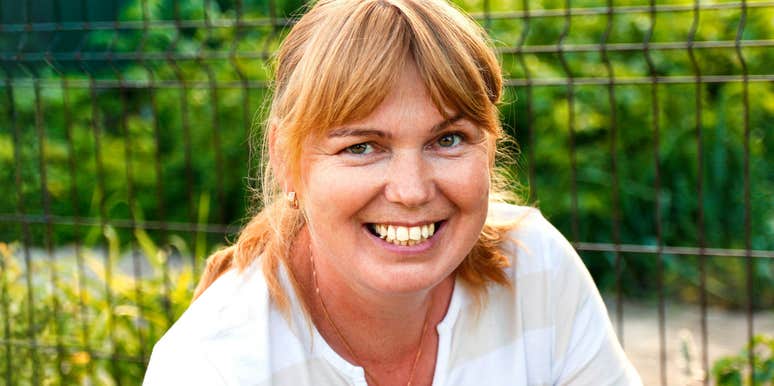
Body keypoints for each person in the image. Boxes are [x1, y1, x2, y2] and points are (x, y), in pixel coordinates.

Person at [143, 0, 642, 384]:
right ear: (286, 160)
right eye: (362, 147)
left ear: (489, 149)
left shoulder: (537, 268)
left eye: (448, 140)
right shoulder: (214, 364)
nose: (411, 191)